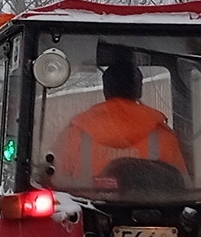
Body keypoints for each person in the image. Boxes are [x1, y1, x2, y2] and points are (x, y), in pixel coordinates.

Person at [56, 60, 185, 186]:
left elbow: (58, 181)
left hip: (86, 206)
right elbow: (181, 187)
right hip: (150, 207)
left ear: (106, 91)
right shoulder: (163, 136)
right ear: (139, 91)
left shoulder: (76, 133)